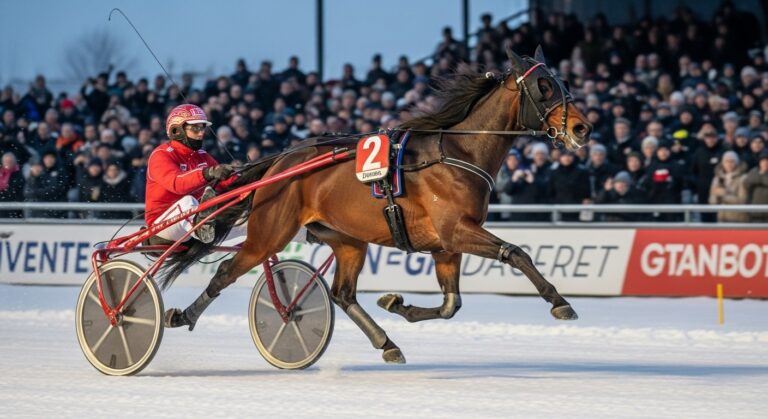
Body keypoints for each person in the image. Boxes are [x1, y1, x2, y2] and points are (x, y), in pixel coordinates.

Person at [145, 104, 239, 244]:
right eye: (195, 128)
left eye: (202, 128)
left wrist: (249, 176)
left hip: (190, 222)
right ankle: (201, 228)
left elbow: (226, 182)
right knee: (188, 201)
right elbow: (177, 184)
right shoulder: (161, 155)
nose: (201, 133)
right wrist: (209, 173)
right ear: (177, 130)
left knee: (240, 213)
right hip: (161, 227)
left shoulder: (202, 155)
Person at [709, 151, 748, 222]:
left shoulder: (743, 178)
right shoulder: (717, 178)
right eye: (726, 161)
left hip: (738, 219)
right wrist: (716, 197)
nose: (729, 164)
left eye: (732, 161)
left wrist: (724, 195)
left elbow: (743, 200)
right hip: (722, 218)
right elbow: (712, 201)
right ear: (723, 163)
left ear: (736, 163)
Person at [743, 149, 768, 222]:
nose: (765, 163)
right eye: (763, 161)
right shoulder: (754, 171)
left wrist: (761, 177)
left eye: (767, 161)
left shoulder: (757, 174)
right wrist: (761, 177)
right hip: (755, 210)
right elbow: (746, 184)